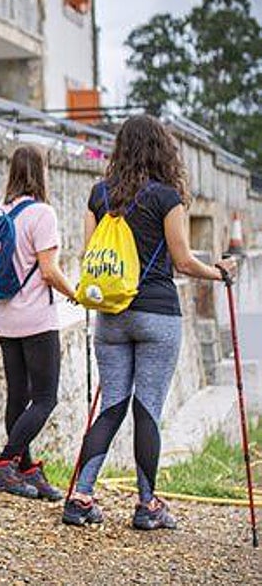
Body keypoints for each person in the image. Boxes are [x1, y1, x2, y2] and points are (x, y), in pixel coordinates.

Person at [63, 115, 237, 530]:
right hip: (157, 312)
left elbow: (93, 255)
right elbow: (181, 260)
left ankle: (81, 496)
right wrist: (219, 273)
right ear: (162, 150)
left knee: (112, 406)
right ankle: (147, 506)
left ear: (119, 150)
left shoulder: (99, 196)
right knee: (147, 409)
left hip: (110, 314)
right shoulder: (166, 197)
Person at [0, 145, 78, 500]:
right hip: (36, 319)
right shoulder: (42, 213)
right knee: (45, 399)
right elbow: (50, 271)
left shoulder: (0, 211)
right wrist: (76, 294)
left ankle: (24, 469)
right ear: (42, 172)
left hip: (5, 318)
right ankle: (4, 465)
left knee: (18, 397)